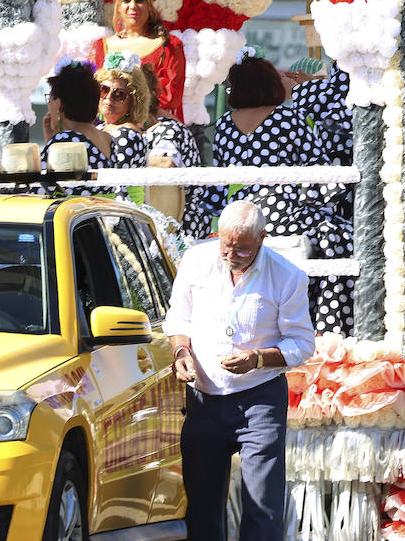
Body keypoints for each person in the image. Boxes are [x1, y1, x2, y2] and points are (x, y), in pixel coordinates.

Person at [164, 200, 315, 541]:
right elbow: (178, 317)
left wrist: (258, 359)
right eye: (226, 245)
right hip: (203, 398)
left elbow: (302, 344)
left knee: (263, 507)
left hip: (259, 400)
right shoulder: (196, 260)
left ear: (263, 238)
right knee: (201, 508)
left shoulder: (288, 277)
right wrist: (181, 351)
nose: (231, 254)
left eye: (242, 249)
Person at [208, 52, 354, 334]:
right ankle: (329, 327)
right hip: (283, 212)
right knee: (342, 237)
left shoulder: (224, 123)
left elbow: (217, 183)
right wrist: (327, 199)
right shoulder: (288, 117)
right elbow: (319, 169)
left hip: (241, 212)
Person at [95, 0, 187, 121]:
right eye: (126, 0)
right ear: (118, 5)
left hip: (153, 128)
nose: (132, 6)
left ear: (149, 4)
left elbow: (171, 99)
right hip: (107, 131)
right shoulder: (101, 46)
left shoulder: (169, 46)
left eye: (139, 0)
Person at [140, 65, 211, 244]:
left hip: (180, 231)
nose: (109, 99)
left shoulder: (168, 129)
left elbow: (165, 163)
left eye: (119, 94)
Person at [94, 52, 149, 168]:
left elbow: (116, 182)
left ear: (133, 101)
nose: (108, 97)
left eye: (119, 94)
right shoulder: (101, 128)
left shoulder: (127, 134)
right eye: (104, 90)